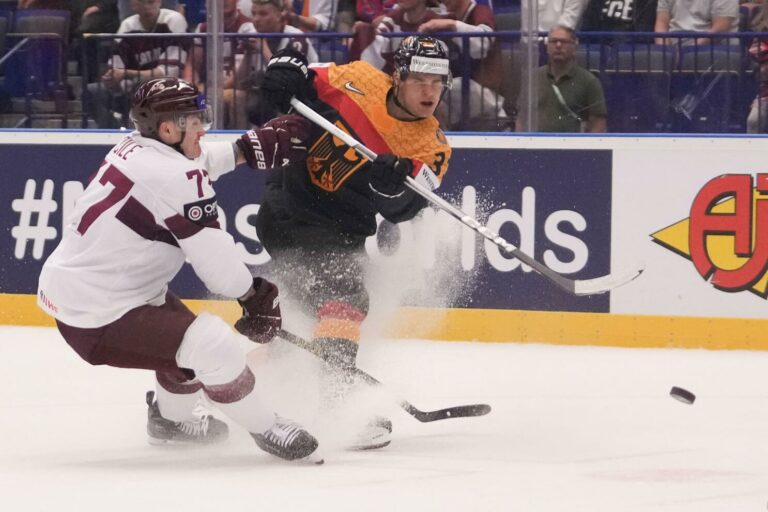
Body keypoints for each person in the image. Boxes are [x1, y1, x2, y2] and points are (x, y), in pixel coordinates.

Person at [37, 76, 321, 462]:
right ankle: (267, 426)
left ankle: (170, 422)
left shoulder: (138, 148)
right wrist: (254, 297)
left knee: (185, 342)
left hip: (99, 292)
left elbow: (193, 162)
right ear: (169, 128)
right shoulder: (173, 176)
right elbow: (216, 263)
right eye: (195, 120)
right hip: (99, 312)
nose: (203, 128)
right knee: (211, 345)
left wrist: (242, 150)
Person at [255, 35, 453, 449]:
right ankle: (335, 402)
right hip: (291, 203)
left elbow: (402, 209)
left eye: (438, 82)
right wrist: (286, 70)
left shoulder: (430, 147)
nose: (429, 91)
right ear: (397, 77)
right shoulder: (359, 78)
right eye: (419, 79)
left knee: (303, 317)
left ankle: (224, 393)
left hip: (342, 228)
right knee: (344, 297)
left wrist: (389, 187)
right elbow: (301, 82)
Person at [85, 0, 188, 128]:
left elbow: (169, 72)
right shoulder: (127, 25)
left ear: (159, 2)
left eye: (151, 2)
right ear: (134, 6)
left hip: (168, 89)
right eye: (141, 3)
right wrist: (112, 79)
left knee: (141, 87)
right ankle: (115, 132)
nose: (147, 7)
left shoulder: (173, 20)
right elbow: (116, 67)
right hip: (132, 89)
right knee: (91, 92)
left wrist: (126, 74)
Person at [418, 0, 508, 130]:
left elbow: (481, 46)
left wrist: (453, 25)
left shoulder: (481, 11)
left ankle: (502, 123)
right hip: (459, 97)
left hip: (488, 95)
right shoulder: (446, 18)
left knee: (450, 86)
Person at [234, 0, 318, 126]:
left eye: (263, 14)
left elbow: (287, 82)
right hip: (268, 93)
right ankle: (240, 136)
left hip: (302, 95)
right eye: (253, 13)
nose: (256, 19)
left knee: (282, 98)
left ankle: (283, 136)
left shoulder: (296, 38)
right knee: (239, 96)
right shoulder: (252, 36)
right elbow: (238, 83)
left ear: (279, 15)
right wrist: (248, 54)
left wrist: (264, 49)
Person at [516, 25, 607, 132]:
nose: (558, 45)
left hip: (574, 146)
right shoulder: (533, 78)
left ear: (574, 47)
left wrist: (587, 147)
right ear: (547, 47)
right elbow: (522, 118)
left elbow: (598, 122)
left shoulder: (589, 81)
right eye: (554, 41)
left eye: (564, 42)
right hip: (537, 145)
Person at [183, 0, 256, 129]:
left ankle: (240, 143)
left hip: (238, 89)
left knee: (233, 98)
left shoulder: (247, 27)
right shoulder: (203, 28)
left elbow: (239, 76)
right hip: (206, 89)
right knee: (186, 99)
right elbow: (192, 64)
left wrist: (210, 91)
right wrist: (190, 88)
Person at [654, 0, 738, 46]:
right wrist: (665, 51)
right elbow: (661, 24)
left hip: (713, 49)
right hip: (675, 46)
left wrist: (688, 52)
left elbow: (721, 28)